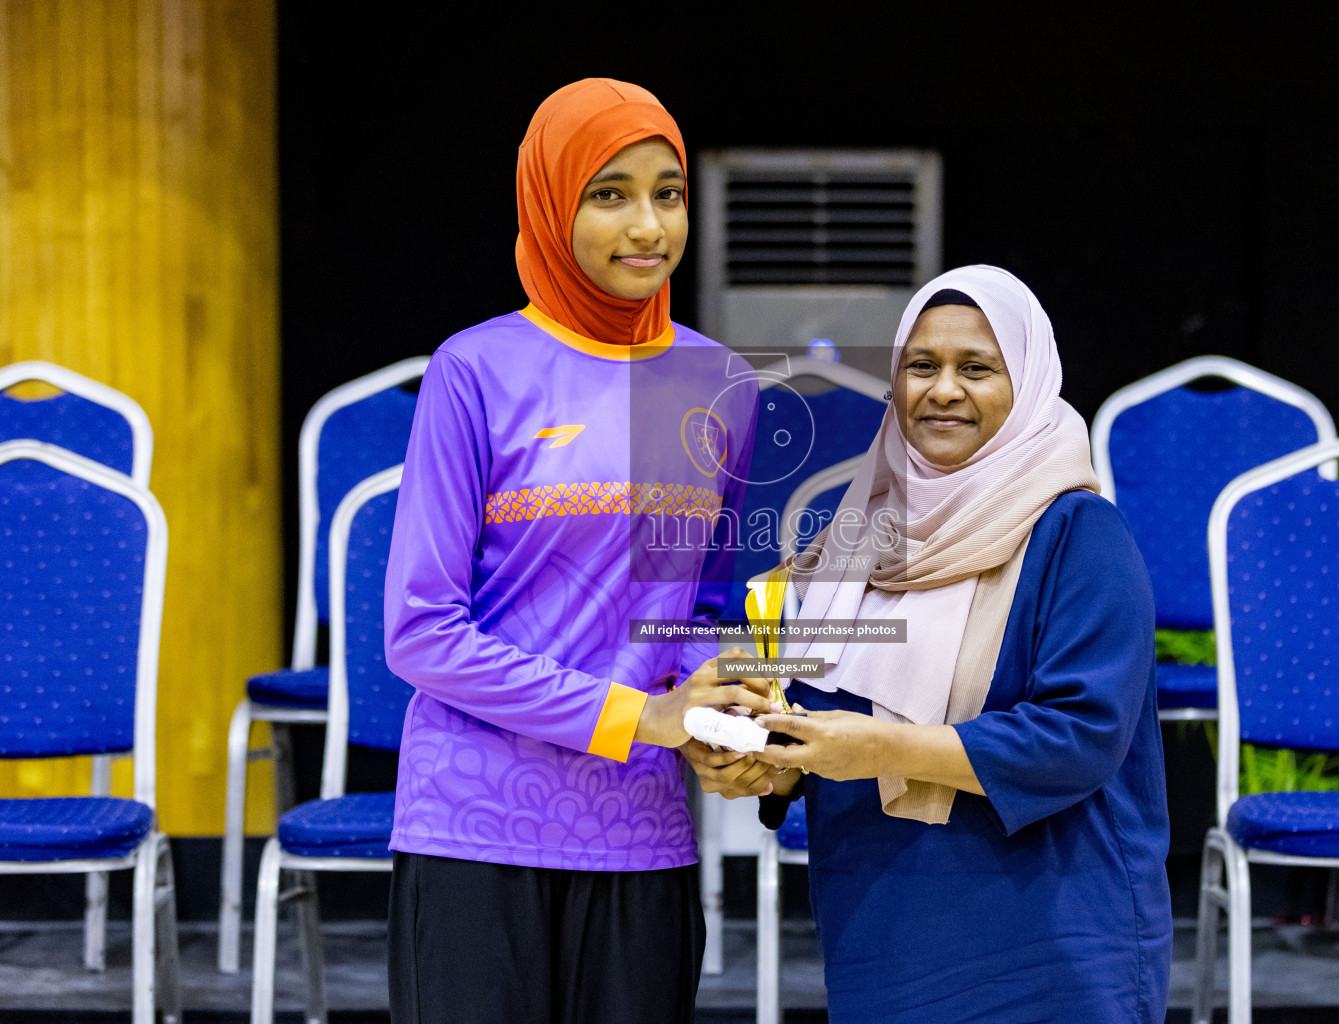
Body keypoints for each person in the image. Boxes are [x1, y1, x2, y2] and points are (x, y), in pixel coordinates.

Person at [687, 265, 1172, 1023]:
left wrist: (884, 750)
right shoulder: (847, 546)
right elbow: (810, 715)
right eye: (921, 366)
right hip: (882, 925)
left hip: (1054, 933)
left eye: (976, 368)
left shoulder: (1079, 536)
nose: (943, 390)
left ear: (1031, 386)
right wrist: (759, 762)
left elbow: (1081, 735)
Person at [383, 78, 769, 1024]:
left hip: (639, 835)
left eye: (667, 193)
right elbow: (422, 633)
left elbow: (700, 616)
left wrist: (733, 712)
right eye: (610, 193)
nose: (647, 226)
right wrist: (644, 715)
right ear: (552, 205)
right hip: (472, 829)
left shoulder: (721, 384)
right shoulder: (474, 370)